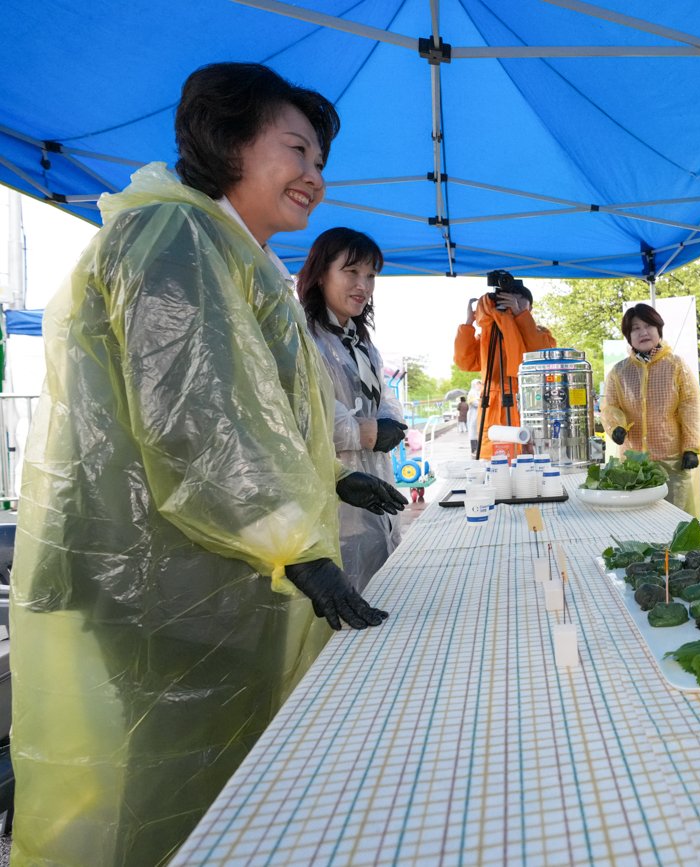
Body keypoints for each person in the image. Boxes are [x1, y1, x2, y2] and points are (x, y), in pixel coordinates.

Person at [8, 62, 404, 866]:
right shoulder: (173, 237)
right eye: (297, 150)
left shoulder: (227, 250)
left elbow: (249, 415)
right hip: (170, 577)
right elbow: (193, 421)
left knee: (230, 782)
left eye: (322, 162)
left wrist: (329, 479)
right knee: (183, 794)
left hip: (213, 570)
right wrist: (296, 538)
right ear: (229, 141)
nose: (315, 178)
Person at [297, 227, 407, 591]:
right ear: (320, 273)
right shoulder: (302, 337)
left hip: (374, 489)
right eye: (351, 272)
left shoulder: (360, 344)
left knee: (383, 588)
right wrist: (367, 432)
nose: (363, 285)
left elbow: (387, 400)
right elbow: (303, 411)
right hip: (333, 500)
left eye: (371, 276)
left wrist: (390, 423)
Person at [601, 304, 700, 516]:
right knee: (639, 517)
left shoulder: (676, 366)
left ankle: (676, 552)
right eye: (635, 328)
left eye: (648, 325)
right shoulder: (619, 372)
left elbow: (691, 407)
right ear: (628, 336)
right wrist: (616, 427)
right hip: (634, 463)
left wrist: (691, 447)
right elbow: (610, 405)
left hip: (673, 460)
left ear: (659, 329)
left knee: (676, 518)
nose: (643, 332)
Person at [454, 270, 556, 458]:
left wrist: (519, 316)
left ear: (530, 307)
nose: (513, 304)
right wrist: (469, 323)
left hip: (527, 404)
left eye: (519, 301)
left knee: (528, 462)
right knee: (493, 463)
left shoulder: (540, 334)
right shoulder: (488, 335)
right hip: (492, 407)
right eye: (508, 299)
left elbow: (540, 357)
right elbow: (465, 362)